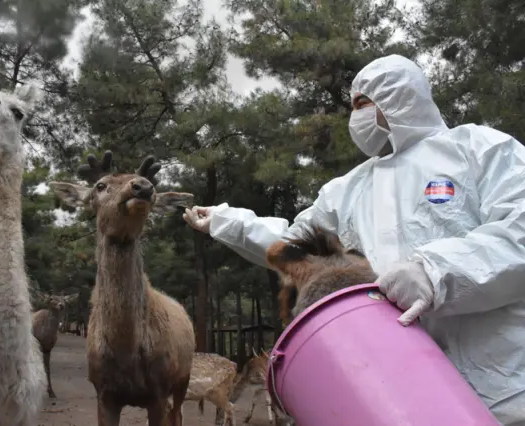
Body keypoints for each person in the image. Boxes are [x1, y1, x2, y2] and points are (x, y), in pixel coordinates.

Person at [183, 54, 525, 425]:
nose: (355, 116)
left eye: (363, 103)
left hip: (502, 388)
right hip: (407, 393)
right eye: (352, 106)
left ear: (399, 97)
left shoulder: (478, 149)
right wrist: (227, 221)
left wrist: (436, 271)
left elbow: (518, 231)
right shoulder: (350, 189)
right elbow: (294, 245)